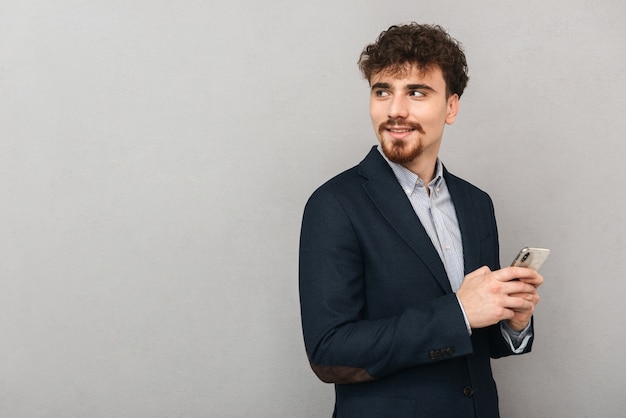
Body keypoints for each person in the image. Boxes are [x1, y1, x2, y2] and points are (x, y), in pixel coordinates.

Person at [298, 23, 543, 418]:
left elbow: (476, 341)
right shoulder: (334, 204)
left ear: (451, 107)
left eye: (416, 91)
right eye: (383, 91)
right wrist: (459, 311)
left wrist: (513, 322)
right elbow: (329, 353)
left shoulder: (477, 203)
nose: (395, 109)